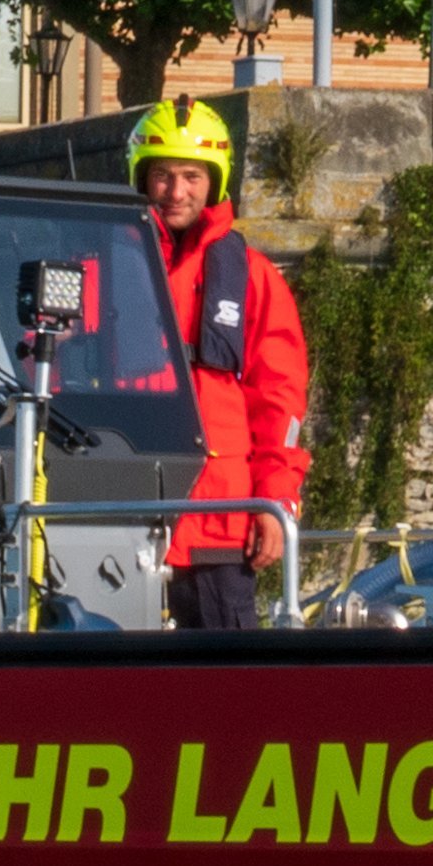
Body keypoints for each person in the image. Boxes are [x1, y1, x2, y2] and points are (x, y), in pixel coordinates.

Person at [124, 97, 309, 631]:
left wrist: (276, 501)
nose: (176, 192)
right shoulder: (100, 266)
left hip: (220, 525)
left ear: (214, 181)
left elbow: (280, 401)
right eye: (162, 175)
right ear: (140, 177)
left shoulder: (250, 276)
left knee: (232, 688)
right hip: (119, 513)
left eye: (190, 176)